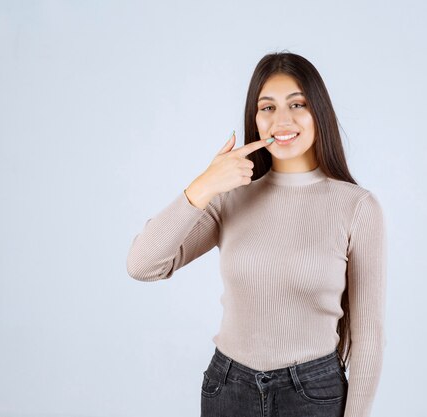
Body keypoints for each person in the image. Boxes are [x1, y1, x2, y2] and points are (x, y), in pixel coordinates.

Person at [126, 51, 387, 417]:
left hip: (313, 394)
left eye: (297, 104)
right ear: (255, 118)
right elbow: (143, 265)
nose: (282, 119)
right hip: (229, 390)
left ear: (319, 113)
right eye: (267, 108)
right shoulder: (230, 198)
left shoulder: (356, 207)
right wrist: (203, 186)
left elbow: (368, 336)